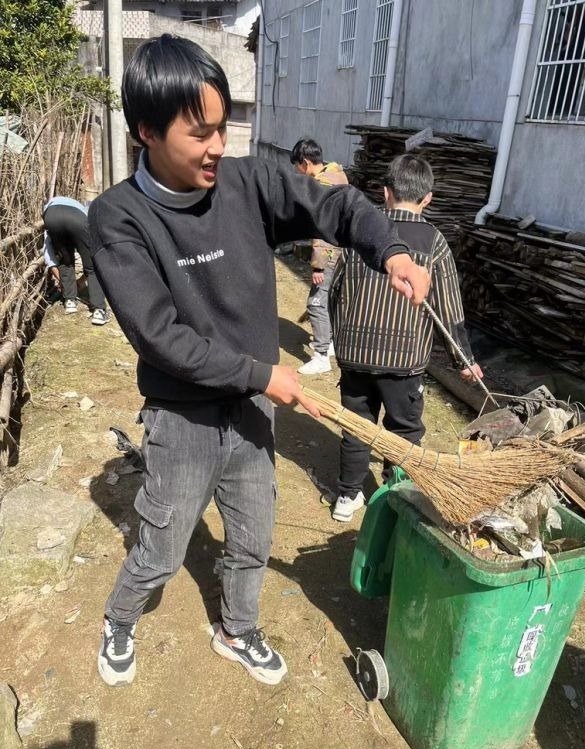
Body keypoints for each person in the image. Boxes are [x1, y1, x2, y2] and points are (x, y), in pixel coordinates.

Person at [89, 35, 430, 688]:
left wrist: (389, 250)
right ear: (147, 133)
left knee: (252, 535)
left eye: (223, 128)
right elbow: (160, 338)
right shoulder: (118, 218)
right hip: (183, 416)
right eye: (200, 133)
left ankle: (237, 630)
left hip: (252, 410)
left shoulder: (246, 182)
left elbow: (333, 203)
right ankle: (120, 617)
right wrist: (262, 374)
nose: (218, 146)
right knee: (162, 545)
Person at [329, 153, 483, 522]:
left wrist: (341, 337)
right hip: (403, 361)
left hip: (355, 355)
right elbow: (449, 308)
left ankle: (347, 496)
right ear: (427, 198)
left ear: (386, 192)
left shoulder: (361, 234)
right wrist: (464, 361)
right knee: (404, 430)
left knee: (356, 426)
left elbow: (335, 292)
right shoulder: (434, 242)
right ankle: (394, 494)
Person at [289, 138, 348, 375]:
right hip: (343, 250)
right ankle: (330, 342)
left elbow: (322, 228)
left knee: (315, 303)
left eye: (297, 166)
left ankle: (321, 355)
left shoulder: (322, 185)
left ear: (305, 163)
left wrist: (318, 266)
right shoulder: (339, 176)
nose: (297, 171)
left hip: (329, 253)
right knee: (331, 298)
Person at [42, 196, 109, 325]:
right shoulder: (83, 208)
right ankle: (99, 311)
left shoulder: (49, 208)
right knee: (92, 266)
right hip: (77, 218)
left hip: (51, 217)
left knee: (65, 260)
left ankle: (70, 301)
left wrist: (66, 284)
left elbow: (49, 255)